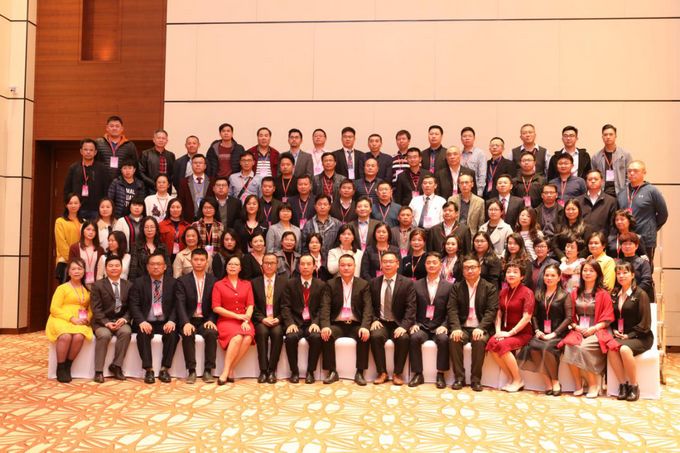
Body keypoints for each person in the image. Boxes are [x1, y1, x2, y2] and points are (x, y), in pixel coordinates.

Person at [560, 259, 615, 398]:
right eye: (585, 270)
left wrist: (594, 328)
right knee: (570, 346)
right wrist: (576, 326)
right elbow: (569, 316)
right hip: (579, 329)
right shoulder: (575, 292)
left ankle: (593, 385)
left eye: (591, 271)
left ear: (597, 274)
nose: (587, 273)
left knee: (583, 348)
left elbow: (608, 318)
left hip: (598, 329)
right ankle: (578, 384)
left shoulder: (603, 294)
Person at [517, 264, 571, 395]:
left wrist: (554, 333)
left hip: (558, 332)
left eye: (553, 275)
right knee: (533, 346)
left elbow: (569, 318)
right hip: (541, 332)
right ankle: (547, 382)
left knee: (547, 347)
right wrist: (537, 330)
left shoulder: (564, 295)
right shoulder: (538, 294)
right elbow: (534, 315)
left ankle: (555, 381)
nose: (549, 278)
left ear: (559, 278)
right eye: (547, 275)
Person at [448, 255, 499, 391]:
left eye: (472, 267)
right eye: (466, 268)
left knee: (479, 340)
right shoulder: (457, 287)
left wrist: (481, 327)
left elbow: (491, 311)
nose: (469, 271)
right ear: (463, 271)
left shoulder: (489, 288)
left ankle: (476, 380)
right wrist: (456, 328)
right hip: (463, 327)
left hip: (481, 327)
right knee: (454, 339)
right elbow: (452, 309)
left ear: (479, 269)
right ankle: (459, 378)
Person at [320, 254, 373, 385]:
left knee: (364, 335)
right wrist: (325, 325)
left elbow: (368, 308)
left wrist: (365, 326)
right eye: (343, 265)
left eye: (349, 265)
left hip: (355, 323)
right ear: (339, 267)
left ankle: (360, 372)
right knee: (327, 335)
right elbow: (325, 306)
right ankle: (332, 372)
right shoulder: (331, 284)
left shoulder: (363, 284)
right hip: (337, 324)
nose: (346, 268)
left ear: (355, 267)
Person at [128, 252, 179, 384]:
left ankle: (164, 369)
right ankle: (149, 370)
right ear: (147, 267)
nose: (156, 267)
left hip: (165, 321)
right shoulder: (138, 283)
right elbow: (134, 305)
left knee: (173, 334)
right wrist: (141, 321)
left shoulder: (173, 283)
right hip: (146, 321)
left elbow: (177, 304)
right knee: (142, 334)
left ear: (165, 267)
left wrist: (171, 320)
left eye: (159, 264)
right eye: (152, 264)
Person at [485, 260, 535, 392]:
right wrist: (498, 331)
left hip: (522, 332)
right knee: (492, 343)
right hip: (505, 331)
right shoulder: (503, 291)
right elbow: (499, 313)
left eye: (515, 272)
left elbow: (527, 317)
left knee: (503, 345)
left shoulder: (527, 292)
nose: (511, 274)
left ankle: (518, 380)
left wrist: (510, 333)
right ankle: (511, 378)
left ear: (522, 276)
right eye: (508, 272)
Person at [607, 262, 654, 401]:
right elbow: (612, 316)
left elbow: (645, 323)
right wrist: (614, 329)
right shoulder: (615, 293)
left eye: (625, 272)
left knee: (624, 349)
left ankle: (634, 386)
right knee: (611, 348)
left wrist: (629, 335)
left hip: (641, 336)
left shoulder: (641, 294)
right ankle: (623, 385)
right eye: (618, 273)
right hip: (621, 335)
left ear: (632, 275)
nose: (621, 276)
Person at [369, 251, 415, 385]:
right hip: (381, 322)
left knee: (403, 338)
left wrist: (404, 326)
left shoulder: (407, 283)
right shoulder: (374, 283)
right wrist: (374, 320)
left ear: (397, 264)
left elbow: (411, 307)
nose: (388, 264)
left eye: (391, 262)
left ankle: (397, 373)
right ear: (381, 265)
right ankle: (382, 372)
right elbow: (368, 305)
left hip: (398, 323)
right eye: (385, 262)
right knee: (375, 336)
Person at [281, 254, 329, 383]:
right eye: (302, 264)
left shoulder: (321, 285)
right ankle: (294, 372)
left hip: (312, 323)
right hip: (295, 322)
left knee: (316, 337)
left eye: (309, 264)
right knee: (290, 337)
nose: (305, 267)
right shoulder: (290, 283)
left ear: (314, 266)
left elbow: (323, 307)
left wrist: (316, 323)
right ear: (298, 266)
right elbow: (285, 306)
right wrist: (290, 323)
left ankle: (310, 372)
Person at [408, 252, 453, 388]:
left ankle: (440, 374)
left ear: (440, 265)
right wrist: (414, 323)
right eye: (428, 263)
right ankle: (418, 374)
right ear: (425, 265)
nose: (431, 265)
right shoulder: (416, 285)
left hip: (439, 325)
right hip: (421, 325)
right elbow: (411, 306)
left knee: (444, 339)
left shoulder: (449, 286)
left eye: (434, 262)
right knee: (414, 337)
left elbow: (451, 309)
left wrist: (445, 325)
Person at [46, 258, 93, 383]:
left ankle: (68, 365)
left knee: (79, 336)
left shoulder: (87, 290)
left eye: (79, 269)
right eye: (73, 269)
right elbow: (54, 308)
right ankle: (60, 367)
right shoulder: (62, 288)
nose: (76, 271)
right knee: (65, 336)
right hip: (61, 318)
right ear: (69, 272)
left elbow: (90, 309)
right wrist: (71, 318)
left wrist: (87, 319)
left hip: (80, 320)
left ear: (84, 271)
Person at [212, 255, 255, 385]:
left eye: (236, 264)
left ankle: (231, 368)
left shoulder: (247, 284)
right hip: (226, 320)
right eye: (230, 264)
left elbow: (250, 305)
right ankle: (226, 372)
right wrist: (237, 316)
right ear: (226, 267)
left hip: (244, 319)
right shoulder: (219, 285)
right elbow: (216, 308)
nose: (232, 267)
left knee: (248, 337)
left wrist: (246, 320)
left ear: (240, 268)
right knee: (237, 337)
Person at [617, 160, 668, 265]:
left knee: (646, 268)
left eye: (635, 171)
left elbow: (663, 214)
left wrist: (651, 228)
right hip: (626, 239)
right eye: (629, 171)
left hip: (646, 239)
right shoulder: (622, 192)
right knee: (626, 268)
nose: (631, 173)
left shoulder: (652, 191)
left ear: (644, 172)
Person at [90, 255, 132, 383]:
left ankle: (117, 366)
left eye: (117, 265)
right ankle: (98, 371)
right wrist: (106, 322)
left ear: (122, 268)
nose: (114, 268)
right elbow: (96, 309)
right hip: (102, 322)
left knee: (126, 332)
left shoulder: (129, 285)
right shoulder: (97, 285)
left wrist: (124, 319)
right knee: (104, 335)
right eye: (111, 266)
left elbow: (132, 307)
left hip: (120, 320)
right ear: (105, 268)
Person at [250, 254, 287, 383]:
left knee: (277, 333)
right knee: (261, 332)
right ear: (262, 265)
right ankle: (263, 370)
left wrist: (279, 318)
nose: (269, 265)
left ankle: (272, 370)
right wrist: (262, 319)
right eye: (266, 263)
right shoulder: (254, 283)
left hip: (277, 319)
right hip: (261, 319)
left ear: (277, 265)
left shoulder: (285, 282)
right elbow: (251, 305)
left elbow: (287, 305)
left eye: (272, 263)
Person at [63, 138, 111, 220]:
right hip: (78, 209)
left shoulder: (102, 168)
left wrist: (104, 207)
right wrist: (69, 205)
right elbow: (67, 189)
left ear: (95, 152)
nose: (88, 152)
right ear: (81, 151)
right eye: (85, 149)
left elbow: (107, 189)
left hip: (97, 209)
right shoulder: (74, 168)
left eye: (91, 150)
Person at [591, 124, 632, 197]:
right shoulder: (596, 157)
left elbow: (629, 175)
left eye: (611, 134)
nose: (608, 137)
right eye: (605, 135)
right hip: (602, 194)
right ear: (602, 137)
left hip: (621, 193)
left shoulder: (625, 155)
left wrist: (625, 191)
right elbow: (593, 176)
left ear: (615, 136)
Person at [94, 115, 138, 181]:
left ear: (122, 128)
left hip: (122, 182)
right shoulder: (98, 143)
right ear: (107, 128)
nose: (114, 128)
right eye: (111, 126)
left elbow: (135, 164)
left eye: (117, 126)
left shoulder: (129, 145)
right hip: (101, 180)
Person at [576, 169, 617, 238]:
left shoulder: (611, 201)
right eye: (590, 179)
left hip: (602, 241)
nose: (593, 181)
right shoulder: (578, 200)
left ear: (602, 181)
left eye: (596, 179)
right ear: (586, 182)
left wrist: (610, 240)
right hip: (581, 240)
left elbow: (613, 225)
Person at [300, 195, 342, 260]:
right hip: (314, 261)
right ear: (315, 206)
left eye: (325, 204)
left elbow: (340, 244)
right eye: (319, 204)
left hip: (333, 260)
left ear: (329, 207)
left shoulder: (337, 224)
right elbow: (304, 246)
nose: (322, 207)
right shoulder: (308, 225)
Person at [68, 221, 105, 288]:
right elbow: (71, 266)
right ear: (83, 231)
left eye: (93, 230)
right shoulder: (75, 247)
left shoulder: (100, 249)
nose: (91, 232)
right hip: (79, 283)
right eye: (88, 229)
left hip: (96, 284)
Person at [177, 154, 214, 222]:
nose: (198, 165)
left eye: (200, 163)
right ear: (191, 165)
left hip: (207, 219)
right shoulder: (184, 182)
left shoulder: (212, 182)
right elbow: (181, 201)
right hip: (189, 219)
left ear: (205, 166)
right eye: (195, 163)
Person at [55, 194, 83, 283]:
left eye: (76, 203)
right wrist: (73, 261)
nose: (73, 205)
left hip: (80, 263)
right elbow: (61, 244)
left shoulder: (84, 222)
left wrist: (80, 262)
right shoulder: (60, 222)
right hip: (65, 263)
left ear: (80, 204)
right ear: (66, 205)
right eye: (70, 203)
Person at [618, 232, 654, 301]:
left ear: (636, 246)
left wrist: (631, 293)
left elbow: (646, 282)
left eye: (630, 244)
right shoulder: (618, 263)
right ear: (620, 246)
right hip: (622, 296)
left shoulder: (643, 262)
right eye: (624, 244)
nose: (627, 246)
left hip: (640, 297)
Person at [139, 129, 176, 194]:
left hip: (166, 190)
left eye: (163, 138)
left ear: (166, 141)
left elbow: (173, 173)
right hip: (149, 190)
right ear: (154, 140)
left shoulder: (171, 155)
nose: (161, 140)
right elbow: (141, 172)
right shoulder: (145, 154)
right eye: (158, 138)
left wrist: (165, 184)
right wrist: (155, 184)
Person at [459, 127, 487, 197]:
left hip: (475, 189)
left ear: (474, 138)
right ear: (461, 139)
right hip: (461, 189)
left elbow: (482, 174)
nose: (467, 138)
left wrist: (479, 192)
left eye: (470, 136)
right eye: (464, 136)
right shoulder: (458, 154)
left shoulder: (480, 153)